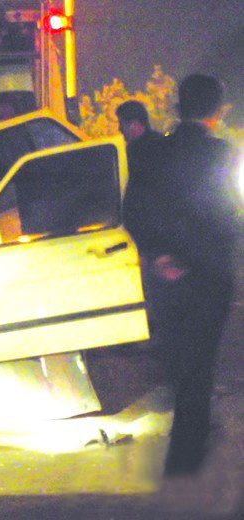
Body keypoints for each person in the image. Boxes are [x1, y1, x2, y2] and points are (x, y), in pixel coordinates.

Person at [122, 74, 239, 476]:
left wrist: (161, 255)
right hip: (209, 275)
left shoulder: (153, 154)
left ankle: (187, 446)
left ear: (177, 106)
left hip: (166, 277)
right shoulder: (223, 155)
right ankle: (188, 454)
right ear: (217, 110)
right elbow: (227, 216)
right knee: (200, 363)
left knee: (181, 359)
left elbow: (134, 210)